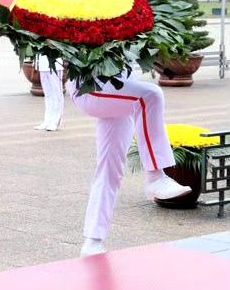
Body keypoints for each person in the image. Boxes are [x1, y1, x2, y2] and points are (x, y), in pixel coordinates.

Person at [69, 70, 191, 256]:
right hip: (90, 86)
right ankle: (155, 176)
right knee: (151, 95)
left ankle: (93, 240)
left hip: (121, 88)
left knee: (110, 169)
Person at [34, 54, 64, 131]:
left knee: (57, 94)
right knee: (48, 94)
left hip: (55, 65)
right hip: (42, 65)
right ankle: (47, 121)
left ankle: (55, 121)